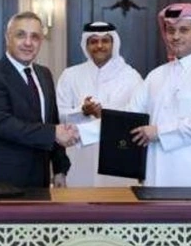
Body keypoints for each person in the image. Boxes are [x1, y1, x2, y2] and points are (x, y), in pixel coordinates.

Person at [79, 3, 191, 187]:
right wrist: (78, 132)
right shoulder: (156, 76)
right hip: (158, 179)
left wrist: (159, 131)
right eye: (170, 30)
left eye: (183, 30)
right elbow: (127, 118)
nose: (175, 36)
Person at [0, 11, 77, 188]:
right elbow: (4, 125)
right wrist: (53, 133)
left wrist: (59, 168)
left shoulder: (44, 74)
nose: (28, 43)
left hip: (39, 177)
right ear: (8, 38)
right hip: (1, 180)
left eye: (35, 37)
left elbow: (52, 120)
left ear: (41, 41)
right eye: (21, 35)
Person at [56, 22, 143, 186]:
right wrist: (82, 111)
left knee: (118, 199)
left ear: (114, 43)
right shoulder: (70, 75)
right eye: (94, 41)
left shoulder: (132, 77)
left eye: (105, 41)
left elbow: (137, 120)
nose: (99, 46)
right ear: (86, 45)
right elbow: (59, 117)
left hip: (119, 159)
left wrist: (105, 115)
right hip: (79, 158)